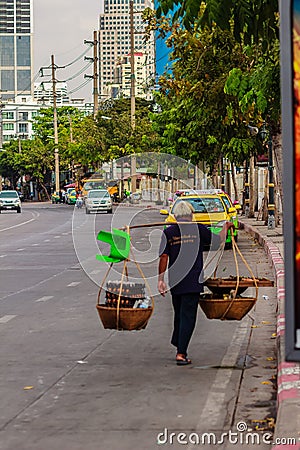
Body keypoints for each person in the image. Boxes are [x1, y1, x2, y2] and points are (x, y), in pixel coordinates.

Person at [158, 201, 234, 366]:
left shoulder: (169, 232)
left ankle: (178, 341)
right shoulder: (198, 229)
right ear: (190, 215)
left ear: (176, 216)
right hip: (192, 281)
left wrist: (160, 280)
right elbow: (219, 240)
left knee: (179, 314)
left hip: (175, 281)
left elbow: (164, 257)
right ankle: (181, 353)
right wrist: (225, 227)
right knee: (188, 316)